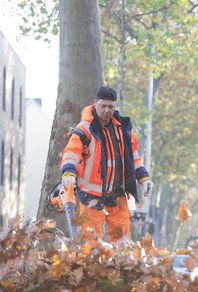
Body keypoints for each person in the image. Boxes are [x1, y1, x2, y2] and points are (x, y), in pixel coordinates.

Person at [60, 86, 153, 241]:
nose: (106, 110)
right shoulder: (85, 128)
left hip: (118, 196)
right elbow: (71, 152)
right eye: (103, 106)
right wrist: (68, 173)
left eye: (110, 107)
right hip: (91, 196)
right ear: (95, 104)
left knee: (122, 243)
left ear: (115, 106)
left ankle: (122, 265)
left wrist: (144, 178)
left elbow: (134, 158)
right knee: (91, 244)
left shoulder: (123, 130)